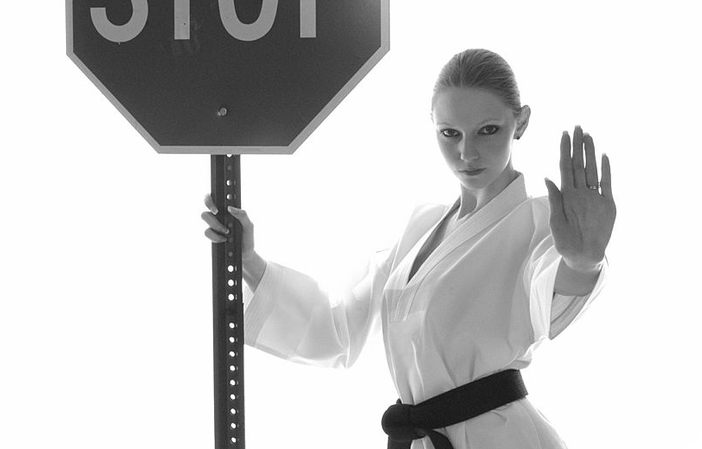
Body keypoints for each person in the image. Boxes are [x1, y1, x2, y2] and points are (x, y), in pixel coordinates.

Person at [201, 48, 616, 449]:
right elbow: (336, 329)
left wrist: (583, 261)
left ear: (520, 123)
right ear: (433, 125)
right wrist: (250, 262)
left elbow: (552, 292)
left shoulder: (540, 222)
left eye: (488, 130)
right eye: (450, 133)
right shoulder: (421, 227)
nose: (467, 152)